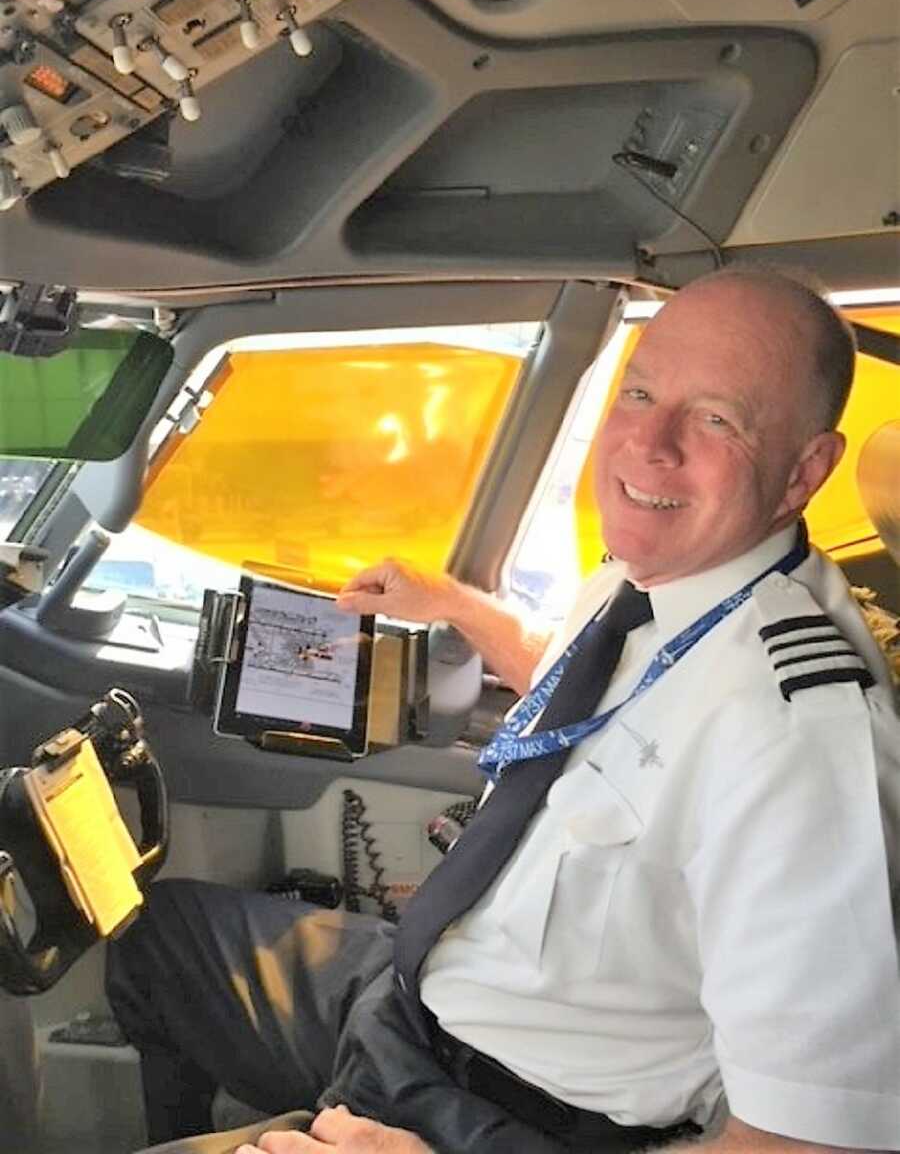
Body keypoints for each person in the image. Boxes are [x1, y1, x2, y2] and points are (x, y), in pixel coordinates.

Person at [108, 269, 900, 1154]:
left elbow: (807, 1142)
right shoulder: (648, 581)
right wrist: (451, 603)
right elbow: (597, 701)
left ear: (807, 471)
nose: (649, 443)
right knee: (157, 941)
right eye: (639, 392)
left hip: (506, 1118)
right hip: (412, 1000)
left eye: (717, 418)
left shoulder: (804, 740)